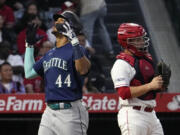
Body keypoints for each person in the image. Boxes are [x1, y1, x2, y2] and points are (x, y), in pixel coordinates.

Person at [24, 10, 91, 135]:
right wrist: (29, 46)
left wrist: (74, 40)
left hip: (70, 112)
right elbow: (28, 73)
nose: (56, 22)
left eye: (61, 20)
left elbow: (83, 70)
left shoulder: (79, 49)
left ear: (70, 26)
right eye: (56, 20)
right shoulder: (50, 53)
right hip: (49, 111)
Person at [111, 23, 164, 135]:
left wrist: (160, 85)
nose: (142, 42)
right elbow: (123, 92)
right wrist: (150, 85)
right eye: (138, 39)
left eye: (142, 38)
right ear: (127, 42)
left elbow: (150, 87)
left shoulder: (146, 59)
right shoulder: (121, 64)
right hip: (133, 115)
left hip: (151, 114)